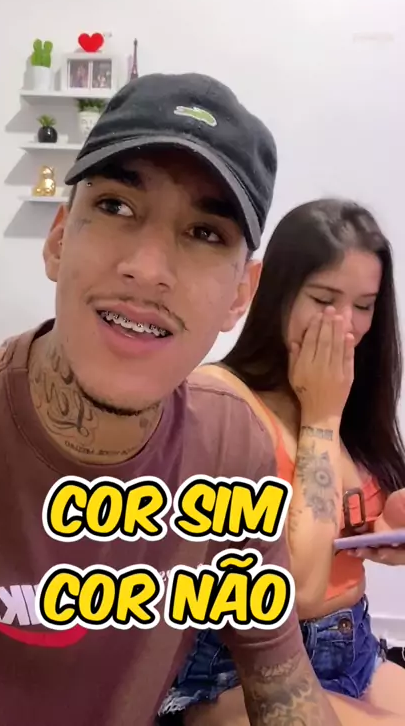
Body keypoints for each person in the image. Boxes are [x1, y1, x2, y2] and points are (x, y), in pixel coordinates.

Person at [0, 75, 341, 726]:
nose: (147, 268)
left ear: (241, 294)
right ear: (59, 239)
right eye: (117, 206)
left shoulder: (230, 450)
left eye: (205, 233)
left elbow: (281, 680)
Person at [159, 198, 405, 725]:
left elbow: (354, 524)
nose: (347, 326)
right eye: (324, 299)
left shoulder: (347, 398)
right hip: (231, 672)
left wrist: (388, 529)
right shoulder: (218, 400)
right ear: (275, 291)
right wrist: (321, 417)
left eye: (365, 305)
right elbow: (294, 591)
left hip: (354, 650)